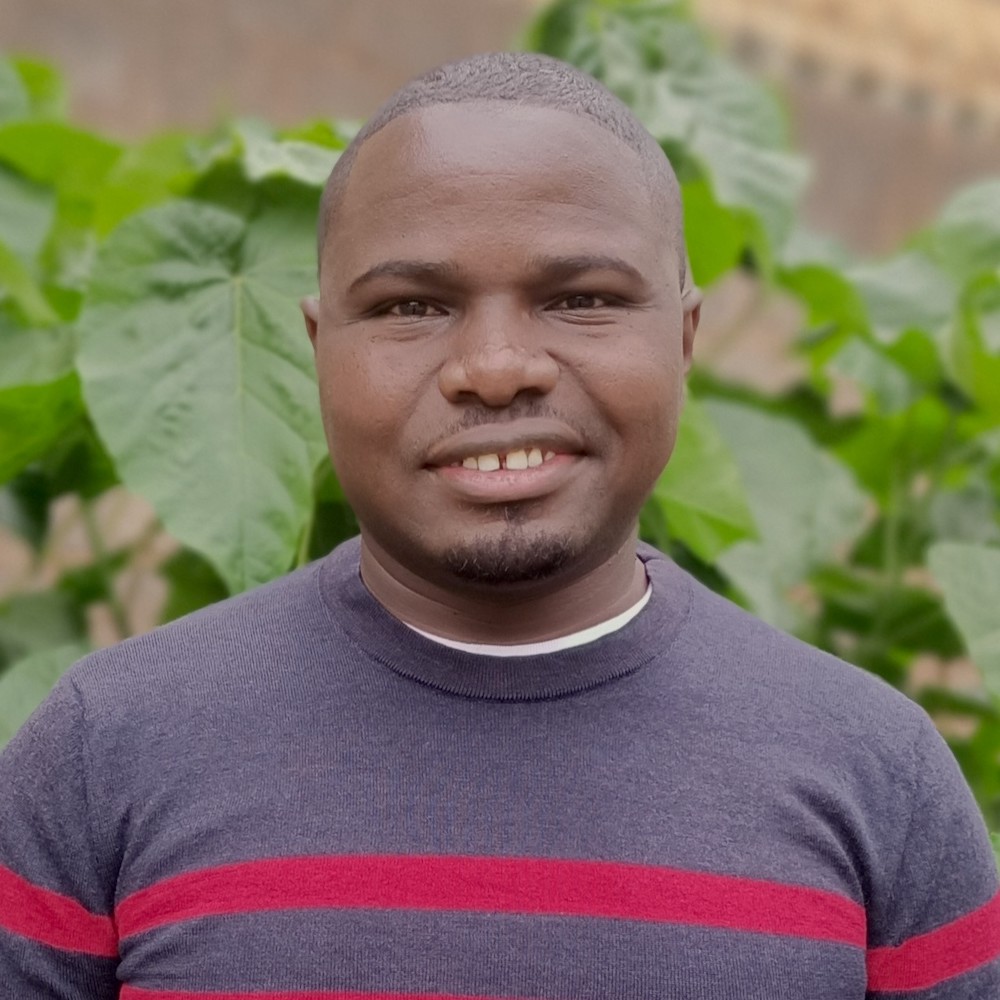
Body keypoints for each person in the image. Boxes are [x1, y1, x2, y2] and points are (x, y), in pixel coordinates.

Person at [1, 52, 998, 1000]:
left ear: (684, 337)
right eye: (411, 307)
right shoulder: (107, 749)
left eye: (580, 298)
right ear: (319, 348)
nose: (495, 365)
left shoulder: (876, 775)